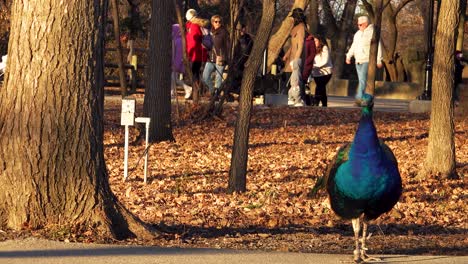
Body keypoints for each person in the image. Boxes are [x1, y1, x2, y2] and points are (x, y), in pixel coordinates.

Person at [345, 15, 383, 104]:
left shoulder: (372, 32)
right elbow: (354, 46)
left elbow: (378, 46)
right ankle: (365, 100)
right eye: (358, 25)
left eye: (360, 25)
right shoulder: (357, 34)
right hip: (358, 60)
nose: (359, 26)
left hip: (367, 60)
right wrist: (348, 56)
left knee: (362, 80)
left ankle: (359, 99)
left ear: (366, 24)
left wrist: (379, 60)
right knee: (362, 80)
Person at [283, 8, 307, 106]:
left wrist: (296, 60)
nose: (292, 20)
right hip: (292, 58)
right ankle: (291, 99)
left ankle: (298, 100)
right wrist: (286, 55)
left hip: (296, 58)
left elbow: (300, 44)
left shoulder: (301, 28)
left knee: (296, 80)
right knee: (291, 79)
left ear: (296, 18)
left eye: (293, 17)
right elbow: (293, 45)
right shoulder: (296, 28)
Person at [202, 15, 229, 97]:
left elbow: (228, 46)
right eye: (216, 21)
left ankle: (216, 96)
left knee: (218, 79)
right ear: (212, 22)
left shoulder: (224, 32)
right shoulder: (210, 32)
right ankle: (212, 91)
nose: (218, 23)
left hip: (220, 59)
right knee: (205, 77)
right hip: (210, 58)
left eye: (219, 21)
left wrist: (223, 58)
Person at [185, 9, 209, 97]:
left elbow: (193, 42)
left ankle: (198, 91)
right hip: (196, 53)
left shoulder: (194, 27)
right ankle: (198, 91)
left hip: (196, 54)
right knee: (195, 73)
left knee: (195, 73)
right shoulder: (191, 26)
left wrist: (189, 53)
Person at [230, 22, 253, 95]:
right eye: (241, 29)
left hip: (243, 60)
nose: (242, 30)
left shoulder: (248, 39)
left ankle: (239, 92)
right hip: (236, 60)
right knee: (235, 76)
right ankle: (233, 91)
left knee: (240, 76)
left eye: (243, 28)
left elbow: (248, 50)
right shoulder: (235, 38)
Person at [172, 24, 192, 99]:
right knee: (173, 78)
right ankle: (172, 93)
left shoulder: (178, 41)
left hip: (176, 63)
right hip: (177, 62)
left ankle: (187, 88)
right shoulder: (179, 40)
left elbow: (178, 54)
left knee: (173, 78)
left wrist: (175, 63)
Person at [311, 36, 333, 107]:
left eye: (316, 41)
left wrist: (315, 66)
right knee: (322, 88)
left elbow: (325, 61)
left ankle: (316, 102)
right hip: (316, 73)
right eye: (313, 41)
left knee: (319, 87)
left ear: (320, 41)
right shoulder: (313, 49)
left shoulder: (324, 48)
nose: (314, 42)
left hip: (326, 72)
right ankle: (324, 105)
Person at [301, 32, 316, 105]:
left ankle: (304, 99)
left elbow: (312, 54)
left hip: (307, 65)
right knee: (301, 82)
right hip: (302, 64)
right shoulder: (302, 40)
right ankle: (303, 98)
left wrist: (307, 62)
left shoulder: (311, 41)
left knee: (303, 81)